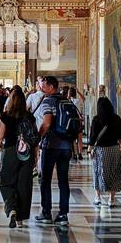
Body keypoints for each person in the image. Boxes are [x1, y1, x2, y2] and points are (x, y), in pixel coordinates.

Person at [34, 74, 81, 226]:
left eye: (45, 85)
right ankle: (63, 215)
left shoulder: (48, 100)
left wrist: (38, 137)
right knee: (63, 181)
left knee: (45, 180)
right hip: (66, 146)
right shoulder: (66, 100)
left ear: (51, 87)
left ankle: (46, 213)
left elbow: (47, 123)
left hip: (51, 145)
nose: (42, 87)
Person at [0, 85, 35, 226]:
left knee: (6, 182)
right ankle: (21, 218)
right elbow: (34, 138)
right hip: (27, 152)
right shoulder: (30, 116)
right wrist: (36, 157)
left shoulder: (6, 116)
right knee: (24, 185)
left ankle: (11, 209)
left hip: (10, 151)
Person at [89, 95, 121, 207]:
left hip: (100, 150)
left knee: (98, 173)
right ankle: (111, 199)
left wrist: (90, 150)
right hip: (114, 149)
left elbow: (92, 137)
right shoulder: (116, 119)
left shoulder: (96, 119)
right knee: (114, 173)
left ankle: (97, 197)